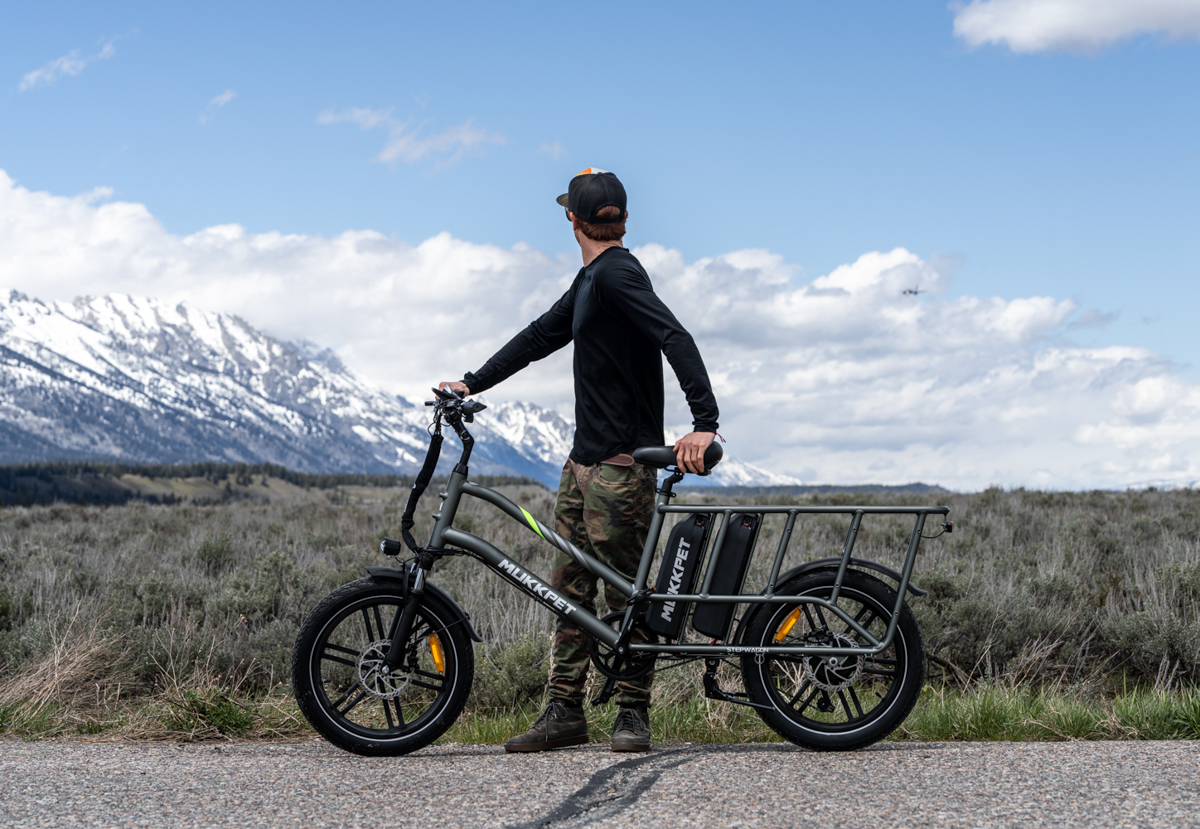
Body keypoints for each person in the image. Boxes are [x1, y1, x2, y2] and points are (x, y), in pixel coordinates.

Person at [438, 168, 718, 752]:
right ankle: (564, 711)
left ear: (573, 220)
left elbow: (675, 336)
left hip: (620, 470)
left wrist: (704, 423)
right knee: (569, 590)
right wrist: (472, 381)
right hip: (582, 466)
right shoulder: (592, 278)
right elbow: (542, 334)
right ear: (619, 218)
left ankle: (632, 714)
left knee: (625, 594)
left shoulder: (617, 273)